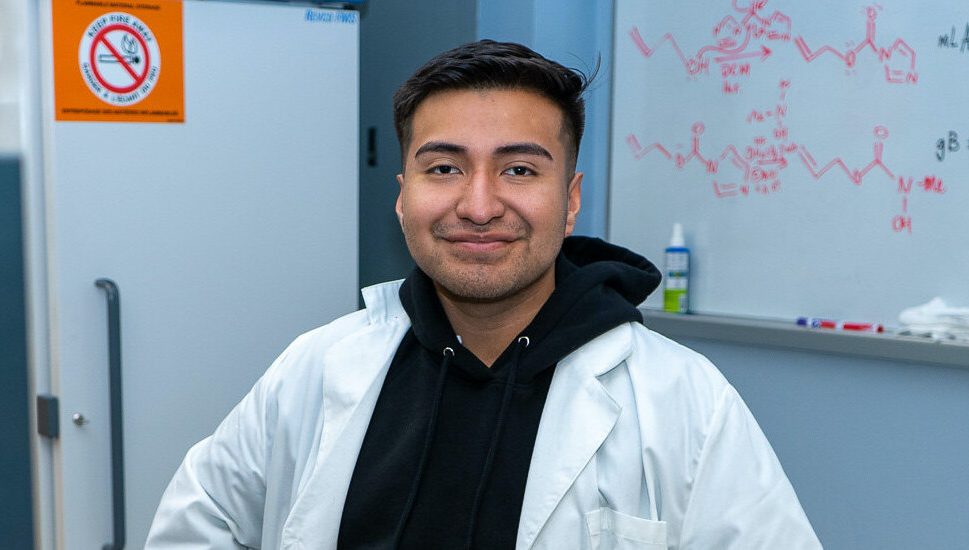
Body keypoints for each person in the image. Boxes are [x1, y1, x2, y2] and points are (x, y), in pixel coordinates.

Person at [146, 40, 820, 549]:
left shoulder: (684, 404)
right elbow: (196, 528)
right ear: (404, 195)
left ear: (570, 201)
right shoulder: (317, 369)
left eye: (519, 169)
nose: (478, 204)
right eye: (444, 167)